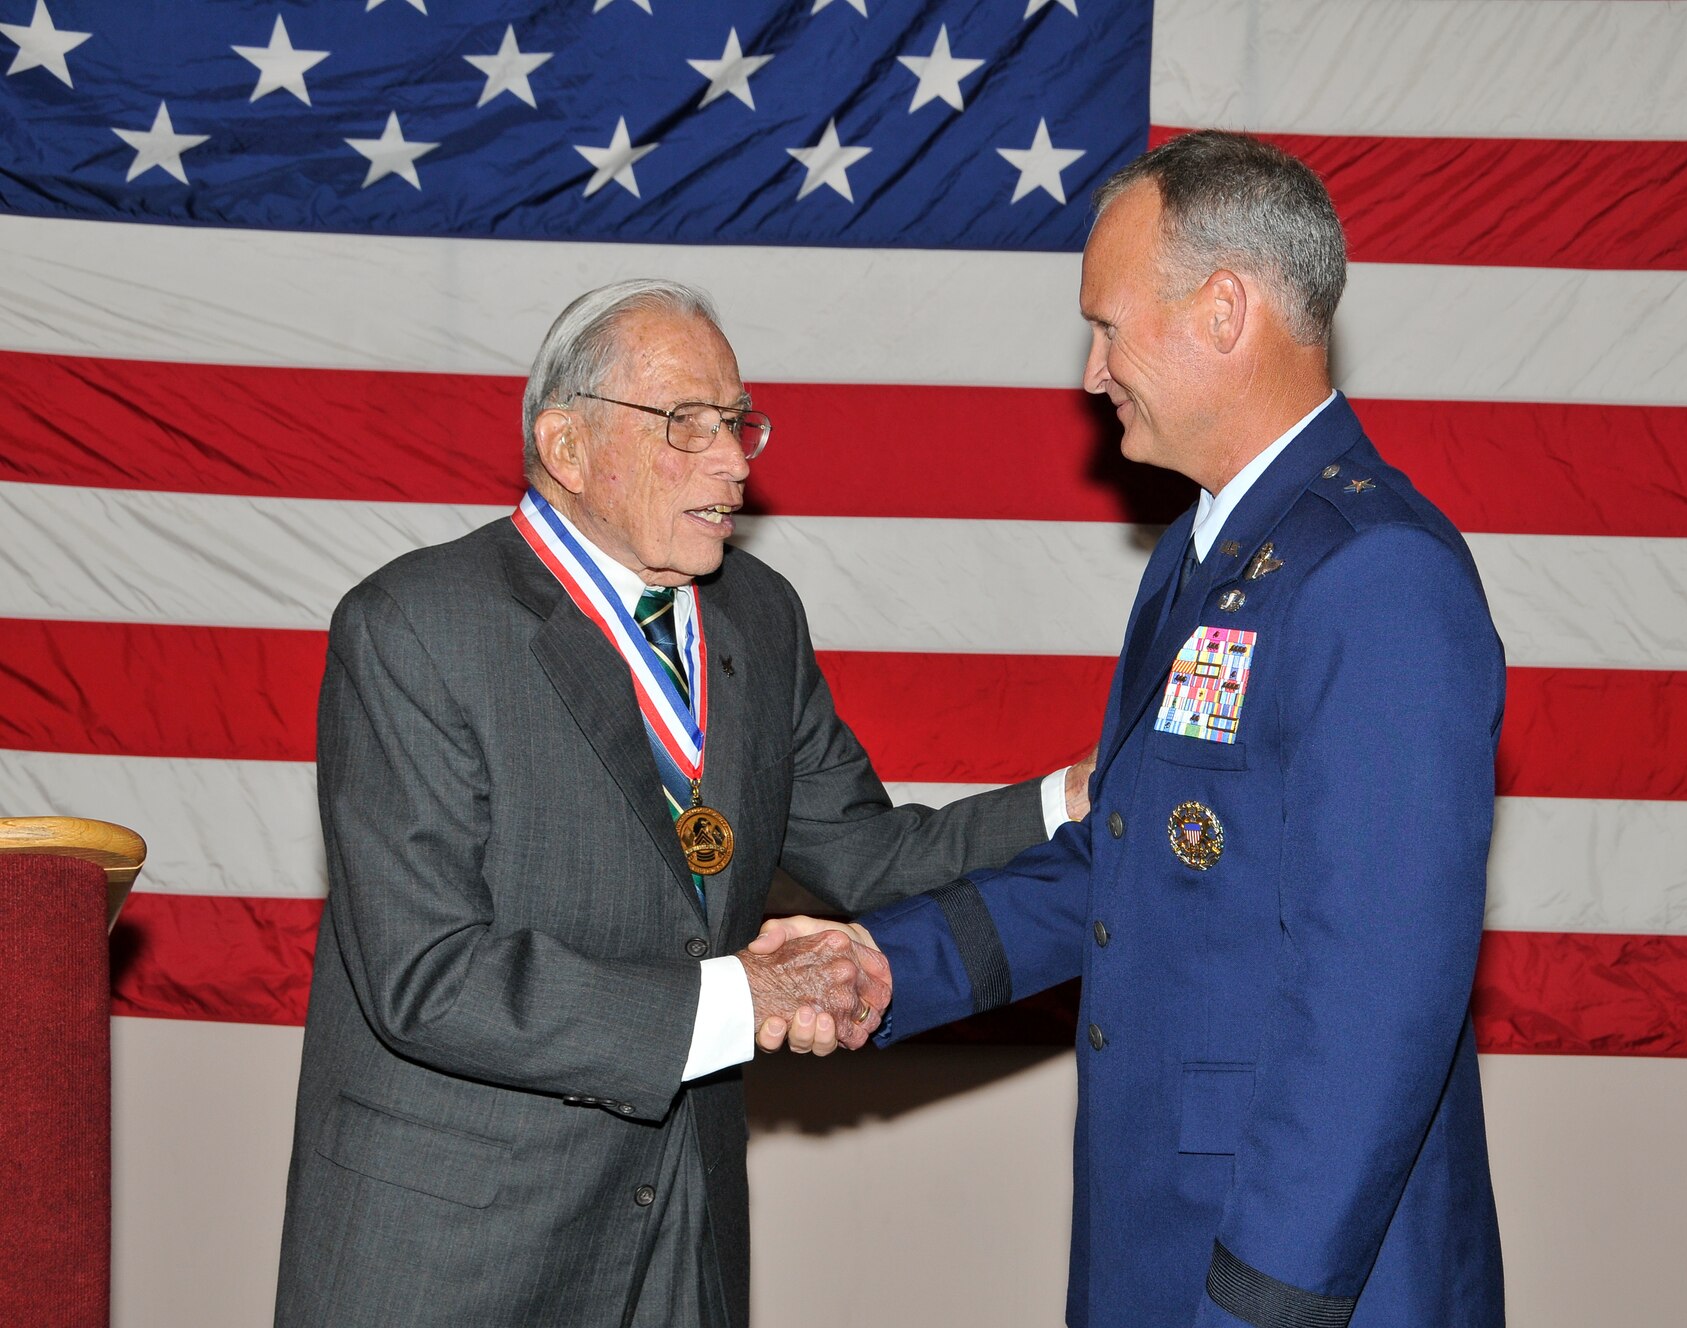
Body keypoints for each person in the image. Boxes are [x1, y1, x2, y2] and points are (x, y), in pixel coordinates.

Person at [763, 131, 1507, 1325]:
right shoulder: (1201, 556)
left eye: (1107, 325)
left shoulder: (1375, 577)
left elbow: (1371, 1011)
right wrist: (886, 963)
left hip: (1294, 1273)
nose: (1091, 369)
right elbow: (1132, 860)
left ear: (1223, 310)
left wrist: (1258, 1302)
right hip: (1155, 1235)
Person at [275, 278, 1084, 1327]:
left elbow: (872, 855)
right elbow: (427, 979)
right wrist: (740, 998)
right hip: (456, 1249)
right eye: (684, 424)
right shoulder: (414, 627)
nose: (735, 461)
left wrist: (1074, 796)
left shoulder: (759, 613)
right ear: (566, 448)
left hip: (682, 1231)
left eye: (737, 421)